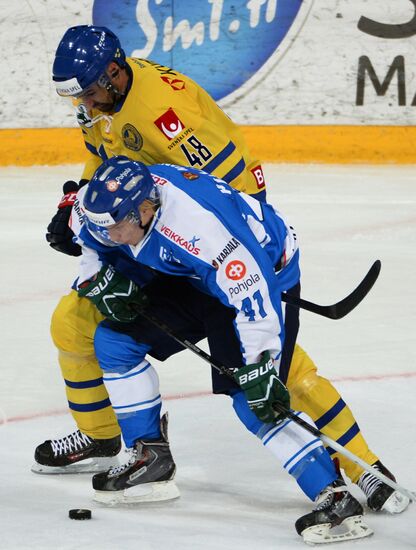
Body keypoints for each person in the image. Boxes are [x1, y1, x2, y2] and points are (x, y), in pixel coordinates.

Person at [35, 24, 407, 516]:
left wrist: (228, 267)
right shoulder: (101, 98)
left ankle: (364, 467)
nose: (83, 102)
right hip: (152, 231)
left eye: (89, 90)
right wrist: (81, 205)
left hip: (215, 243)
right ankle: (108, 438)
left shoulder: (168, 114)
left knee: (274, 366)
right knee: (76, 322)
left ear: (113, 72)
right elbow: (103, 159)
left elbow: (229, 196)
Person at [79, 156, 377, 543]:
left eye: (118, 228)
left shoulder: (200, 229)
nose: (112, 236)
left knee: (252, 397)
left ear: (146, 209)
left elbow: (253, 293)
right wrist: (94, 278)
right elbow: (84, 232)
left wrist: (259, 368)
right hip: (197, 276)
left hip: (264, 278)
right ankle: (149, 456)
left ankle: (335, 496)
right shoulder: (111, 207)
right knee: (115, 341)